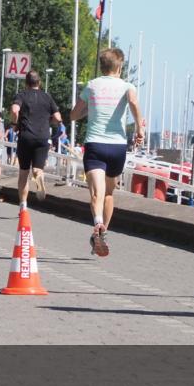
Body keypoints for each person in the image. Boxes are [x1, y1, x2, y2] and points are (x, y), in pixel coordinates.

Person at [69, 48, 143, 257]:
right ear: (120, 67)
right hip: (117, 147)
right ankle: (103, 233)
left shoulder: (92, 86)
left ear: (102, 66)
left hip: (95, 145)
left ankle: (98, 223)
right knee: (109, 194)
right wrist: (140, 128)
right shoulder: (127, 86)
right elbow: (133, 101)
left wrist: (90, 109)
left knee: (96, 193)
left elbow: (73, 115)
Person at [11, 69, 62, 204]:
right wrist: (49, 122)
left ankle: (23, 206)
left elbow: (15, 110)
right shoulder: (47, 97)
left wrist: (14, 123)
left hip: (26, 137)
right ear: (39, 82)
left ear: (26, 83)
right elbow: (58, 118)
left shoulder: (22, 95)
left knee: (23, 173)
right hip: (43, 137)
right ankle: (38, 175)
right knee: (37, 169)